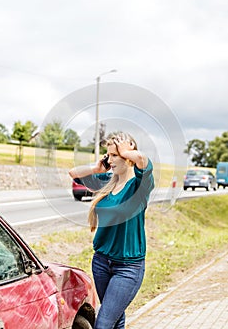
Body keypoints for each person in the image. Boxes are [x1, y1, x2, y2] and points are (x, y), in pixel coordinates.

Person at [69, 131, 154, 329]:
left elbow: (143, 161)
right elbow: (73, 173)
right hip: (101, 262)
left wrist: (127, 150)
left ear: (128, 154)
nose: (110, 160)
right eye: (109, 155)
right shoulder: (107, 180)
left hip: (128, 267)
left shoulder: (139, 186)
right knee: (117, 319)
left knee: (103, 323)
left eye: (115, 155)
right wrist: (97, 167)